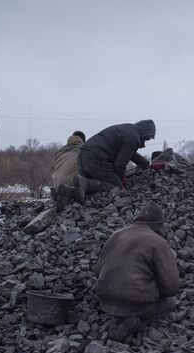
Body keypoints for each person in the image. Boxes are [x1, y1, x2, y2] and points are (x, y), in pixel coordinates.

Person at [94, 203, 180, 340]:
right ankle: (137, 322)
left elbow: (97, 271)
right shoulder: (158, 242)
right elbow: (171, 288)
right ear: (159, 224)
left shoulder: (115, 235)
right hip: (137, 306)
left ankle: (120, 318)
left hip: (105, 302)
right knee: (171, 302)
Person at [74, 120, 164, 202]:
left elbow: (131, 154)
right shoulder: (133, 138)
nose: (145, 141)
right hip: (96, 159)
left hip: (82, 155)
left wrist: (148, 165)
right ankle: (88, 184)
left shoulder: (128, 130)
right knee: (116, 187)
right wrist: (121, 179)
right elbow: (119, 164)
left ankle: (69, 191)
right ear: (145, 132)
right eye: (147, 138)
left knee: (81, 189)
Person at [50, 131, 86, 209]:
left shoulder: (60, 151)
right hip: (70, 184)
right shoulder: (83, 149)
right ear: (83, 140)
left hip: (55, 183)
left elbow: (53, 168)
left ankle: (59, 195)